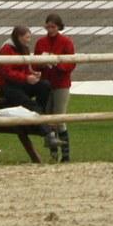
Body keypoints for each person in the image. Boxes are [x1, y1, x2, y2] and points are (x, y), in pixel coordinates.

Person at [0, 26, 66, 149]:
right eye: (27, 37)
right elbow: (6, 72)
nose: (29, 40)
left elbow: (25, 68)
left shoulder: (23, 48)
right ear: (19, 37)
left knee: (44, 85)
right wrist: (26, 78)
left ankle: (40, 114)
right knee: (31, 104)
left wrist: (32, 74)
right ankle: (47, 132)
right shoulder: (6, 49)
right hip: (8, 86)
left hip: (21, 83)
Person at [34, 14, 76, 162]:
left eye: (53, 26)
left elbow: (71, 63)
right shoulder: (40, 42)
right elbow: (35, 63)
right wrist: (42, 63)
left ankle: (65, 155)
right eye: (48, 26)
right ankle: (53, 154)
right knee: (48, 118)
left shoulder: (66, 42)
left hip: (61, 84)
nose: (50, 29)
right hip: (46, 83)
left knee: (60, 118)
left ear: (59, 27)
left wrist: (58, 64)